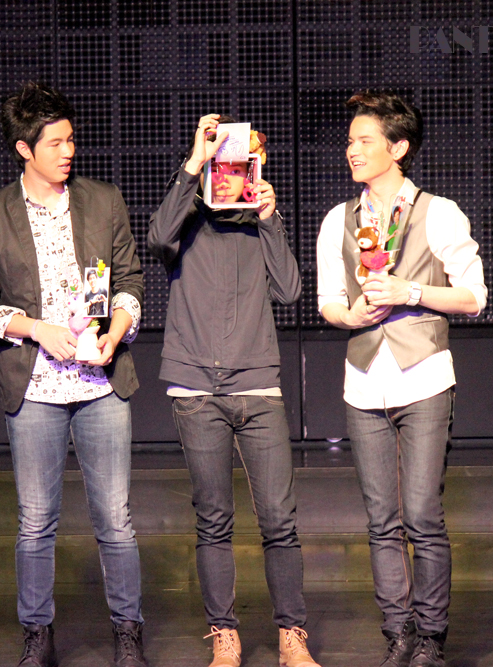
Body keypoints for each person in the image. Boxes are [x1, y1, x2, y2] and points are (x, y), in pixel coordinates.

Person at [0, 82, 147, 667]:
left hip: (101, 384)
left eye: (71, 140)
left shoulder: (103, 200)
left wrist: (116, 333)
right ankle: (37, 637)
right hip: (36, 386)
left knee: (115, 518)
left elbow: (131, 281)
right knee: (36, 521)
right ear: (24, 149)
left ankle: (128, 633)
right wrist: (38, 329)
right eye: (55, 143)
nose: (68, 151)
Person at [316, 90, 487, 667]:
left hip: (424, 378)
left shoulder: (439, 212)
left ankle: (431, 637)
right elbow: (329, 302)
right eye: (350, 141)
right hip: (364, 380)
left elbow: (474, 296)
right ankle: (398, 633)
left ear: (398, 148)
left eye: (364, 140)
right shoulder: (338, 220)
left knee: (421, 514)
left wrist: (410, 291)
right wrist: (351, 316)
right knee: (380, 520)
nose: (351, 150)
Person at [147, 114, 320, 667]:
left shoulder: (259, 223)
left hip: (257, 387)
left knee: (279, 520)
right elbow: (156, 238)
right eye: (221, 164)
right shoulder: (186, 219)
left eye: (242, 164)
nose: (230, 173)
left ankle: (292, 635)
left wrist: (270, 218)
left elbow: (289, 289)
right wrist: (192, 162)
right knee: (213, 519)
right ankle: (224, 633)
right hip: (196, 389)